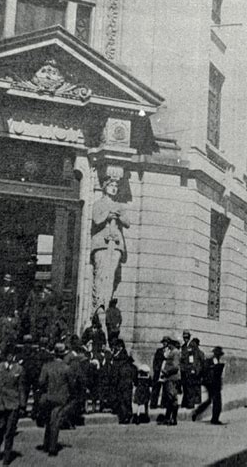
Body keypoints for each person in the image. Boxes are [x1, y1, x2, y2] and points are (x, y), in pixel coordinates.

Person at [90, 176, 130, 316]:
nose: (114, 188)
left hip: (116, 244)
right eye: (111, 185)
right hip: (102, 243)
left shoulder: (119, 206)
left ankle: (107, 302)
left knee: (111, 275)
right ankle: (98, 305)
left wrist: (119, 216)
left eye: (115, 186)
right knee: (101, 273)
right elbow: (96, 219)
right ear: (105, 187)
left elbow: (127, 223)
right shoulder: (98, 203)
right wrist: (107, 215)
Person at [0, 345, 26, 465]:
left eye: (12, 355)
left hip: (13, 404)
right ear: (5, 356)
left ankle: (7, 457)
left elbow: (21, 388)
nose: (10, 357)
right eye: (7, 354)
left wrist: (22, 405)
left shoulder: (19, 369)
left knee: (9, 432)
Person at [38, 342, 74, 457]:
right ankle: (52, 448)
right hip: (61, 398)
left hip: (48, 397)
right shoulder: (67, 368)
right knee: (55, 422)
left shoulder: (46, 366)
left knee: (49, 420)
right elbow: (71, 384)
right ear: (63, 355)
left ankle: (46, 444)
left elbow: (41, 382)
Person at [192, 346, 225, 425]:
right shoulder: (213, 361)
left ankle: (197, 412)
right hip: (213, 384)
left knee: (209, 400)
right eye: (218, 354)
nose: (219, 355)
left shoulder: (211, 361)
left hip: (211, 383)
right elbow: (213, 373)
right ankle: (214, 419)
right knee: (217, 402)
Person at [110, 339, 136, 424]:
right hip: (123, 380)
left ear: (119, 346)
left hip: (123, 380)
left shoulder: (122, 356)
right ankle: (127, 415)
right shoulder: (119, 355)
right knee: (125, 399)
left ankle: (126, 416)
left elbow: (118, 368)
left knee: (124, 399)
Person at [158, 337, 181, 426]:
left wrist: (166, 371)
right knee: (171, 398)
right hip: (171, 378)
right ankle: (170, 418)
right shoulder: (174, 352)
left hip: (171, 378)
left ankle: (172, 419)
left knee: (171, 398)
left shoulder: (174, 352)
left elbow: (175, 367)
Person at [150, 336, 168, 409]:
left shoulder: (169, 352)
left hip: (165, 372)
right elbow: (155, 361)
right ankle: (153, 404)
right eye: (163, 342)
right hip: (158, 372)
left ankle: (163, 404)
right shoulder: (159, 351)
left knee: (165, 389)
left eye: (166, 342)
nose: (164, 343)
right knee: (155, 389)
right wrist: (156, 369)